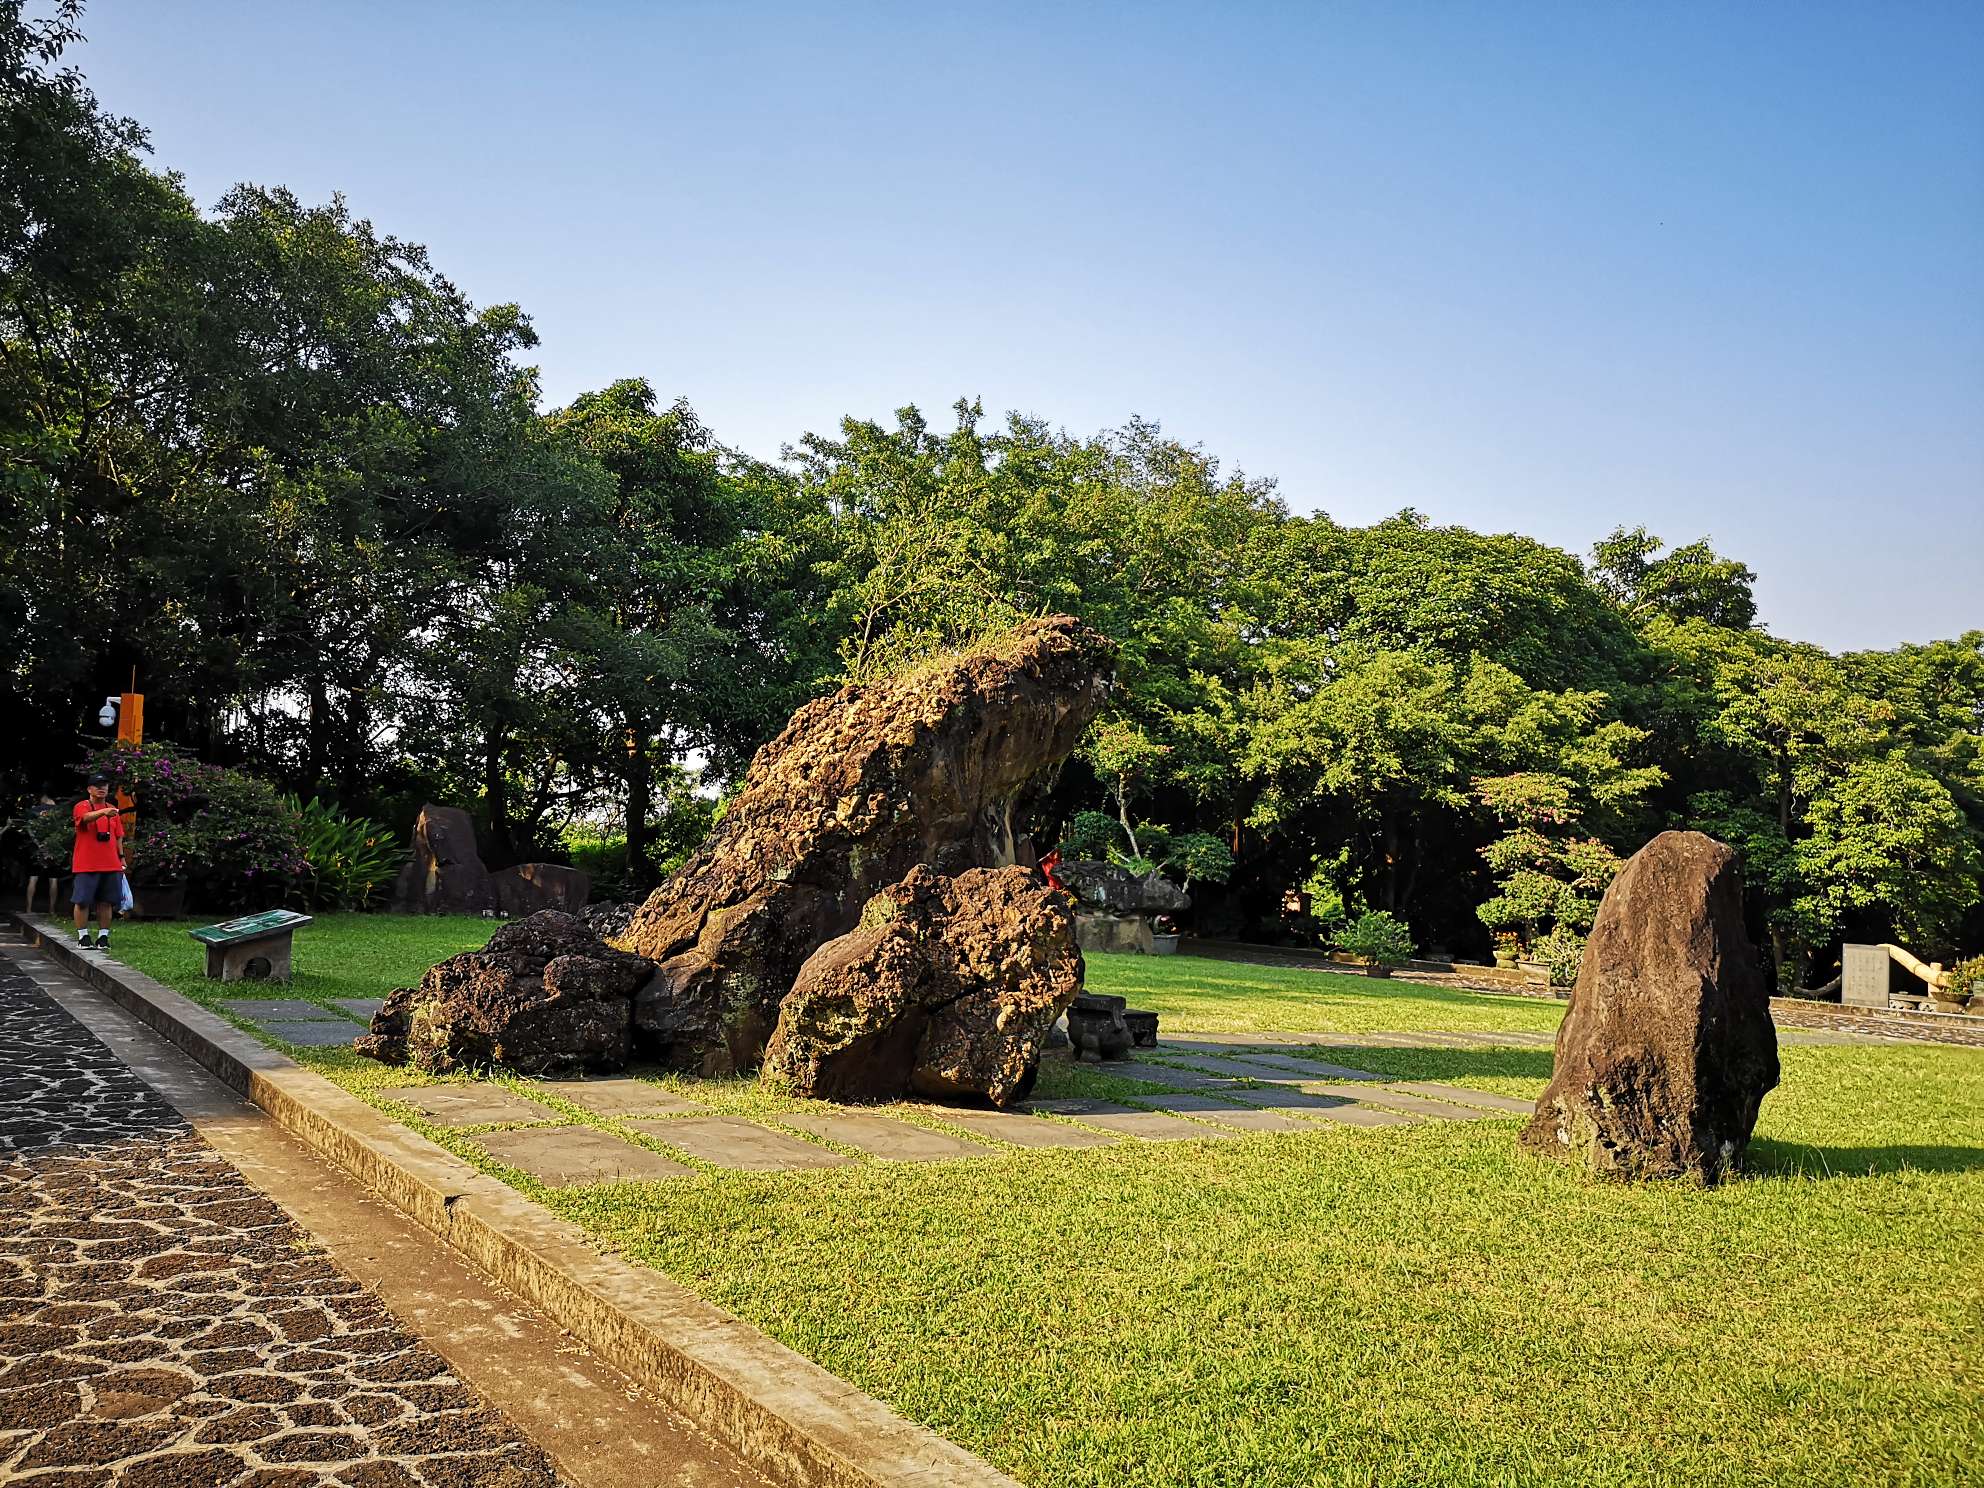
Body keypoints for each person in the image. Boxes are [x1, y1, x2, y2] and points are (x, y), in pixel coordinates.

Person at [71, 772, 126, 949]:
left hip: (111, 863)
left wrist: (122, 858)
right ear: (89, 789)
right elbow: (84, 819)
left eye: (105, 785)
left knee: (107, 901)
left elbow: (118, 837)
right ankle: (83, 937)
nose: (102, 788)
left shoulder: (113, 810)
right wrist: (103, 812)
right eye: (97, 785)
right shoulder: (82, 806)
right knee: (82, 900)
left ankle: (103, 937)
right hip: (86, 863)